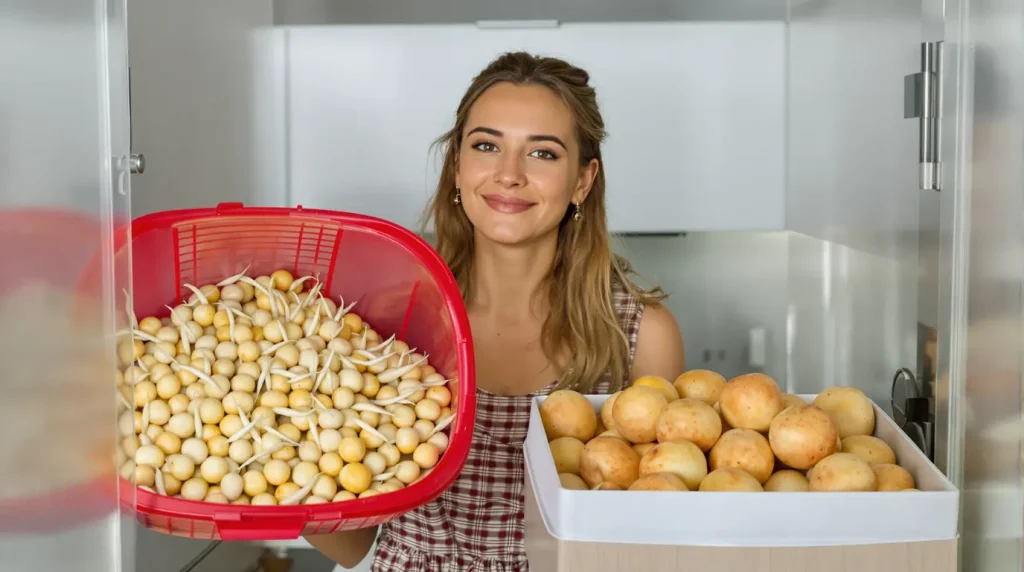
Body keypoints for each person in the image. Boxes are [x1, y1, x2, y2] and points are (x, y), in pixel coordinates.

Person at [306, 51, 685, 572]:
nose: (508, 175)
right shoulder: (388, 322)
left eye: (544, 154)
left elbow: (657, 540)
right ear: (458, 166)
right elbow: (354, 545)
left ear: (582, 180)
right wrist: (278, 450)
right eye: (486, 146)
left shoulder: (641, 336)